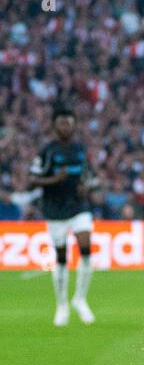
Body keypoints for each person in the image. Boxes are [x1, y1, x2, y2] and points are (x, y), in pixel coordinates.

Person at [28, 103, 96, 326]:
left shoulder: (80, 149)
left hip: (78, 207)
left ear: (74, 125)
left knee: (86, 248)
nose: (66, 126)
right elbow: (31, 180)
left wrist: (87, 187)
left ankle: (80, 299)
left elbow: (90, 176)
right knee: (61, 257)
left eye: (69, 122)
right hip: (55, 210)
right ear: (54, 126)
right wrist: (53, 180)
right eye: (61, 122)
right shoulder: (47, 151)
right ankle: (62, 305)